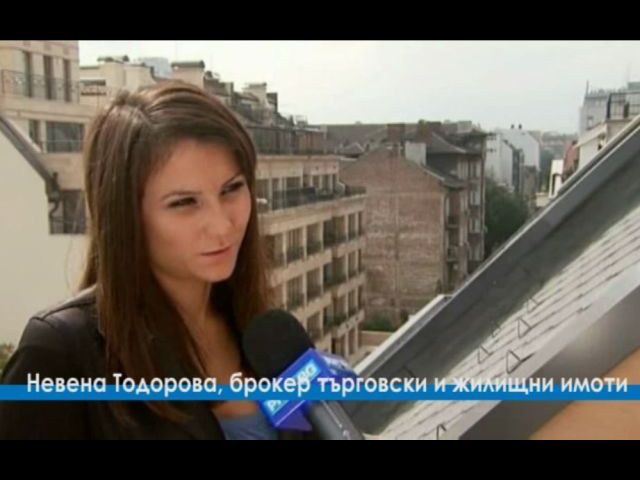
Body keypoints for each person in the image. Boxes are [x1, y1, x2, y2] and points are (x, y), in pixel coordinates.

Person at [0, 81, 312, 440]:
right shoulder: (61, 353)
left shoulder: (265, 336)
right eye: (184, 203)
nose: (222, 225)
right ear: (126, 215)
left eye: (231, 189)